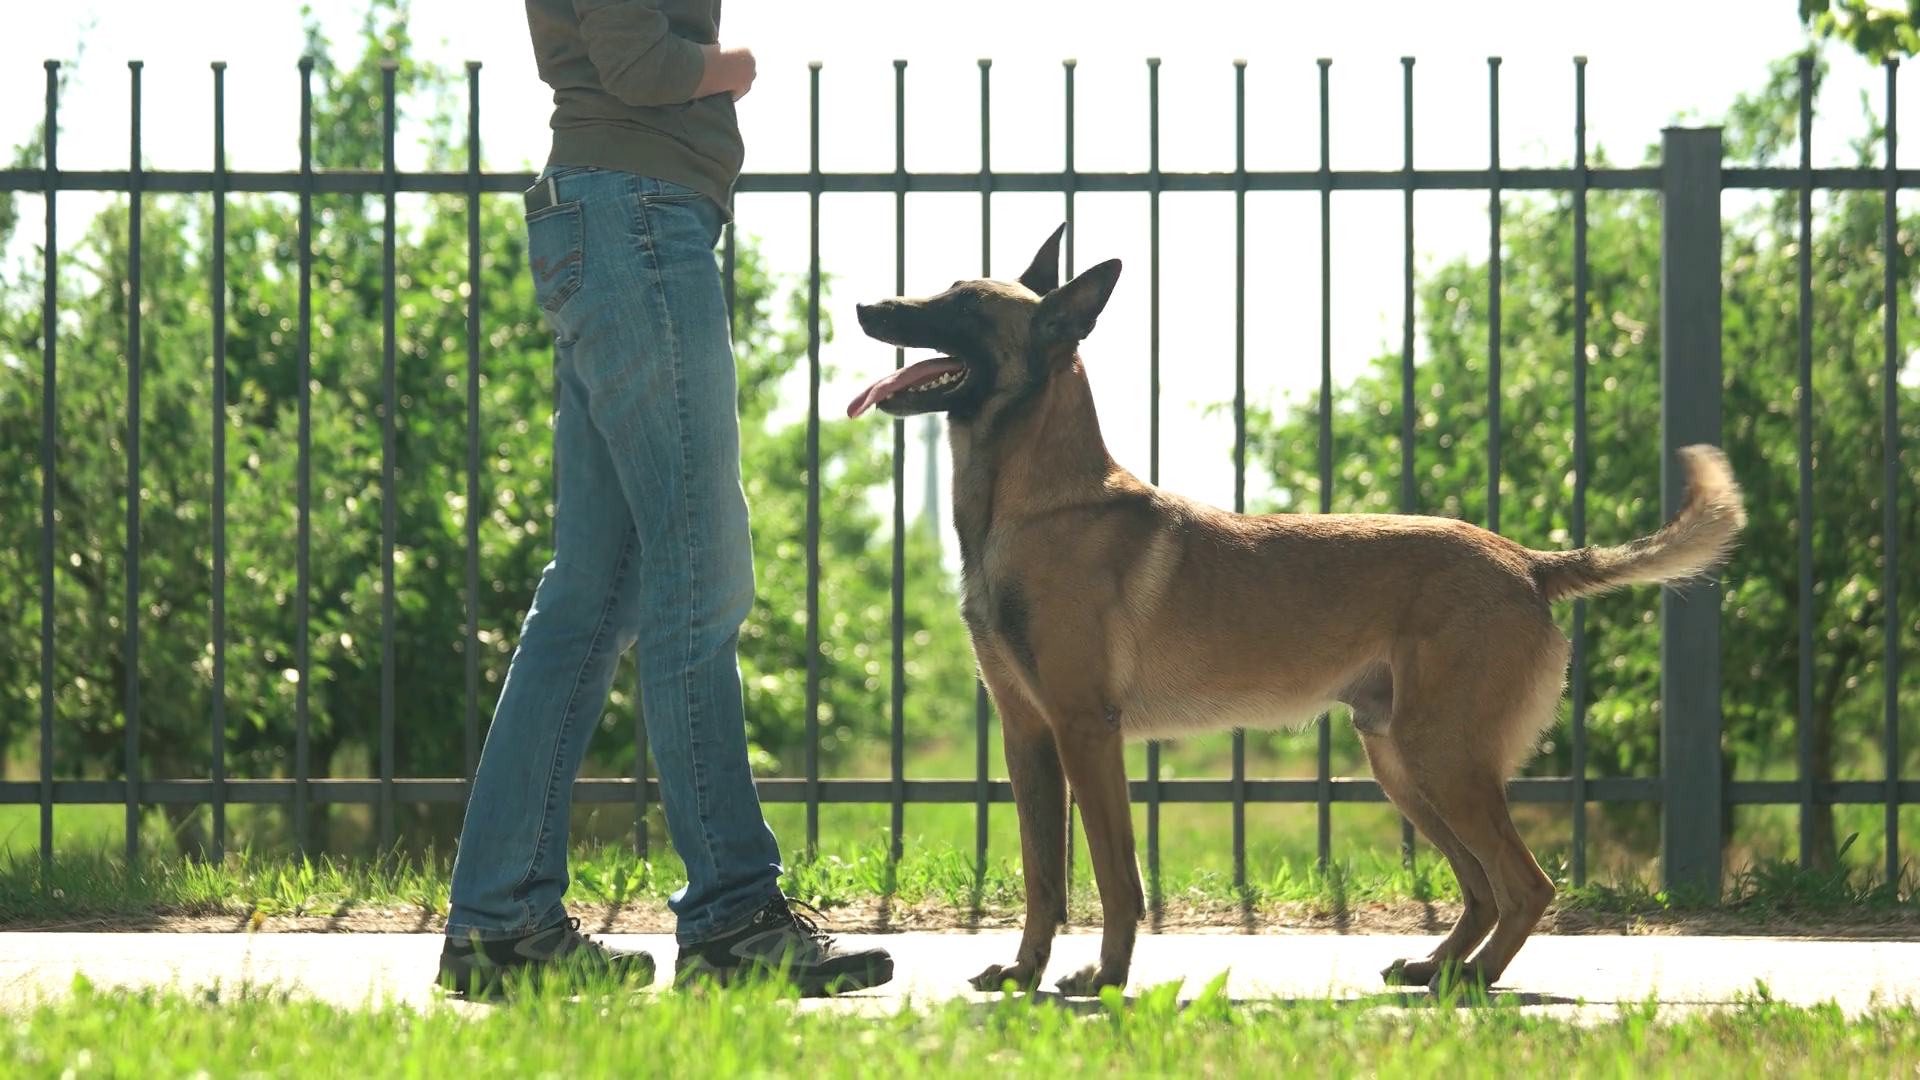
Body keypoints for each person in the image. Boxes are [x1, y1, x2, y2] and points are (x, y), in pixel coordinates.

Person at [435, 0, 894, 1000]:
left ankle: (501, 923)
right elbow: (639, 62)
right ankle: (733, 916)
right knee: (701, 574)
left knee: (591, 594)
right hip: (637, 219)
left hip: (619, 217)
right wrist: (733, 65)